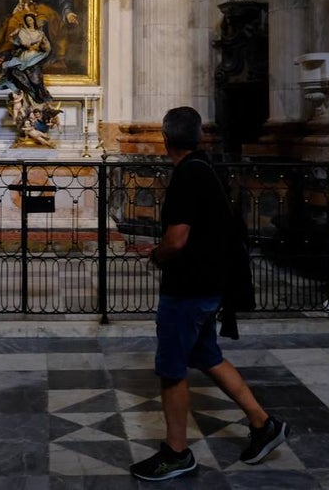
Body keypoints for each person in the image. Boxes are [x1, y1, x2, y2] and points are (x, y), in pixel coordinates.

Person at [129, 106, 288, 482]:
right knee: (207, 355)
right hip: (210, 285)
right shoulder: (205, 169)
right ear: (198, 137)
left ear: (165, 139)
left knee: (171, 370)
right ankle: (263, 424)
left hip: (188, 288)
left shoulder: (187, 176)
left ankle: (177, 453)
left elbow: (176, 239)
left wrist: (156, 254)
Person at [0, 13, 52, 104]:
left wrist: (43, 48)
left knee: (36, 80)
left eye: (31, 20)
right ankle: (27, 94)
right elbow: (15, 41)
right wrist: (15, 35)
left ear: (34, 20)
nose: (29, 22)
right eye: (27, 20)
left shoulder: (40, 33)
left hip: (35, 56)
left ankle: (38, 96)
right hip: (25, 55)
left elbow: (47, 46)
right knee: (20, 73)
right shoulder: (23, 31)